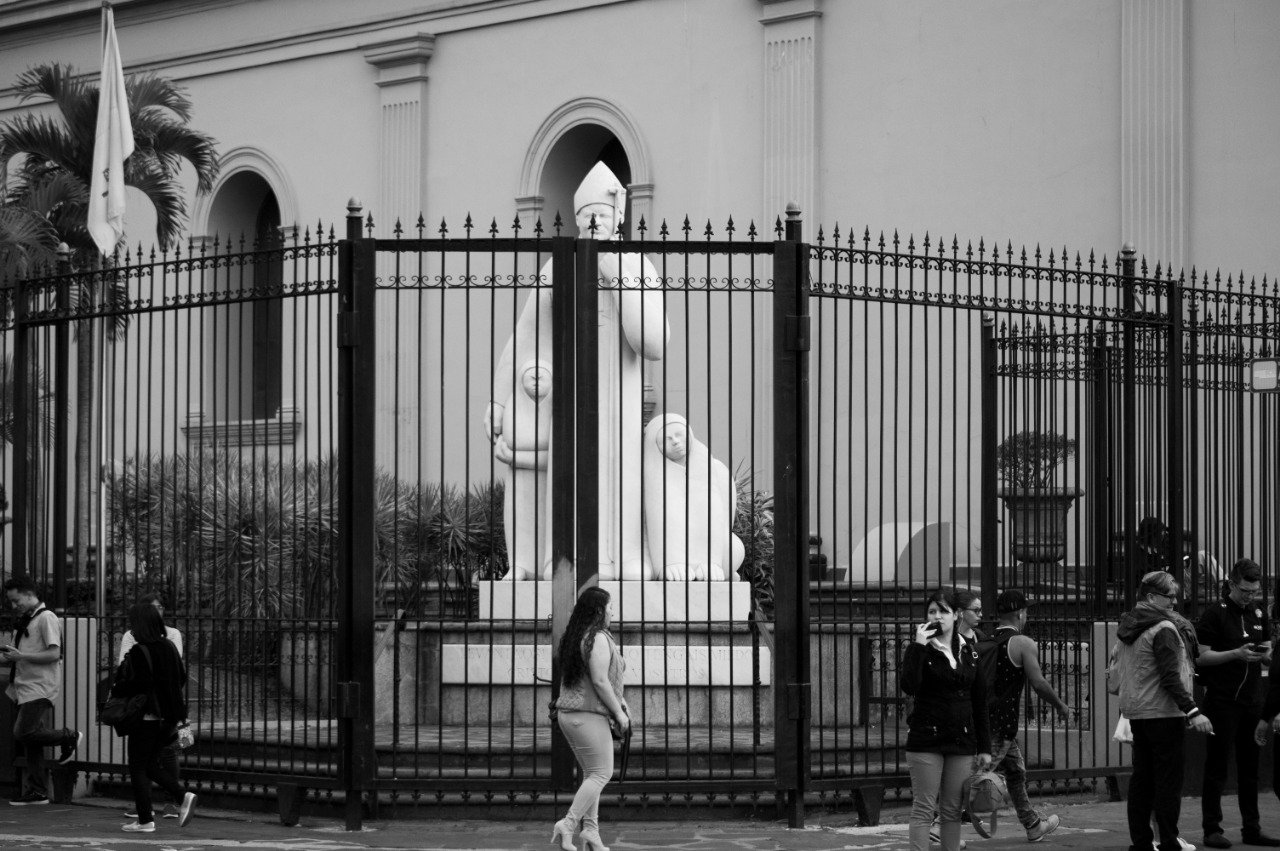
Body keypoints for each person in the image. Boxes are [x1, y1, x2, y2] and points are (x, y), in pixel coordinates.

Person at [1108, 570, 1214, 851]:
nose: (1175, 602)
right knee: (1168, 782)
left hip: (1137, 711)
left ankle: (1142, 842)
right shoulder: (1163, 628)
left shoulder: (1130, 623)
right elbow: (1170, 677)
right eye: (1169, 596)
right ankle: (1169, 840)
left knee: (1142, 780)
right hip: (1163, 713)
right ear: (1152, 597)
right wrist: (1193, 711)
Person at [1195, 558, 1279, 848]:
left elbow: (1266, 652)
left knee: (1250, 768)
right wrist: (1236, 654)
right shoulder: (1214, 614)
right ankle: (1211, 828)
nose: (1249, 596)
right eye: (1244, 591)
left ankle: (1252, 828)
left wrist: (1266, 655)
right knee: (1217, 766)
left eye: (1254, 591)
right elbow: (1202, 657)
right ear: (1231, 584)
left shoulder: (1258, 612)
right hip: (1222, 699)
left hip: (1252, 699)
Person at [900, 587, 992, 851]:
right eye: (932, 611)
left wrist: (984, 747)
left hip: (961, 741)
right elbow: (909, 685)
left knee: (952, 810)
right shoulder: (922, 649)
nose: (937, 616)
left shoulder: (969, 651)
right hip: (926, 740)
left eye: (943, 611)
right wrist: (918, 645)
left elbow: (979, 703)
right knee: (924, 808)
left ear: (956, 615)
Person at [985, 590, 1069, 842]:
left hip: (987, 719)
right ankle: (939, 823)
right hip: (1001, 724)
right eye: (1026, 611)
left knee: (1015, 771)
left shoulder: (988, 641)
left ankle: (1032, 824)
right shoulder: (1022, 643)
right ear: (1020, 613)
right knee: (975, 776)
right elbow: (1039, 683)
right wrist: (1060, 705)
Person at [549, 587, 628, 851]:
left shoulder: (577, 636)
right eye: (610, 607)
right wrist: (619, 712)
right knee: (602, 773)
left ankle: (591, 832)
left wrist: (620, 702)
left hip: (570, 715)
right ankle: (568, 824)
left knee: (591, 774)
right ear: (599, 611)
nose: (613, 612)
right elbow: (600, 680)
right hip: (587, 716)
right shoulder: (598, 638)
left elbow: (594, 681)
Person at [113, 602, 196, 833]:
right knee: (149, 764)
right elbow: (181, 677)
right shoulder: (169, 646)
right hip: (169, 718)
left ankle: (146, 820)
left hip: (146, 718)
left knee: (138, 766)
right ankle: (181, 796)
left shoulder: (139, 651)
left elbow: (132, 685)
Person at [0, 575, 80, 805]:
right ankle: (37, 790)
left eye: (16, 600)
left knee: (23, 732)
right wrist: (12, 657)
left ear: (29, 594)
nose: (14, 606)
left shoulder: (47, 618)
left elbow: (54, 653)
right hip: (24, 686)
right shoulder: (28, 619)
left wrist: (21, 656)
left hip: (40, 687)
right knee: (31, 742)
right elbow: (17, 656)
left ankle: (69, 736)